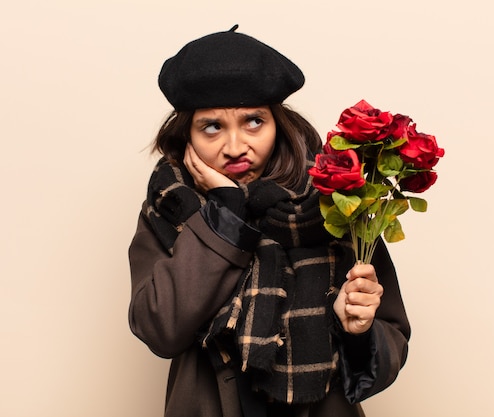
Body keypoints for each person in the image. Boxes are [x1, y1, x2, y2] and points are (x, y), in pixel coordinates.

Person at [128, 25, 410, 417]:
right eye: (212, 126)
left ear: (278, 123)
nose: (235, 146)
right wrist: (224, 212)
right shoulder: (171, 207)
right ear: (186, 135)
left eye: (253, 122)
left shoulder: (338, 205)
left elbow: (391, 340)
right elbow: (161, 331)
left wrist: (357, 332)